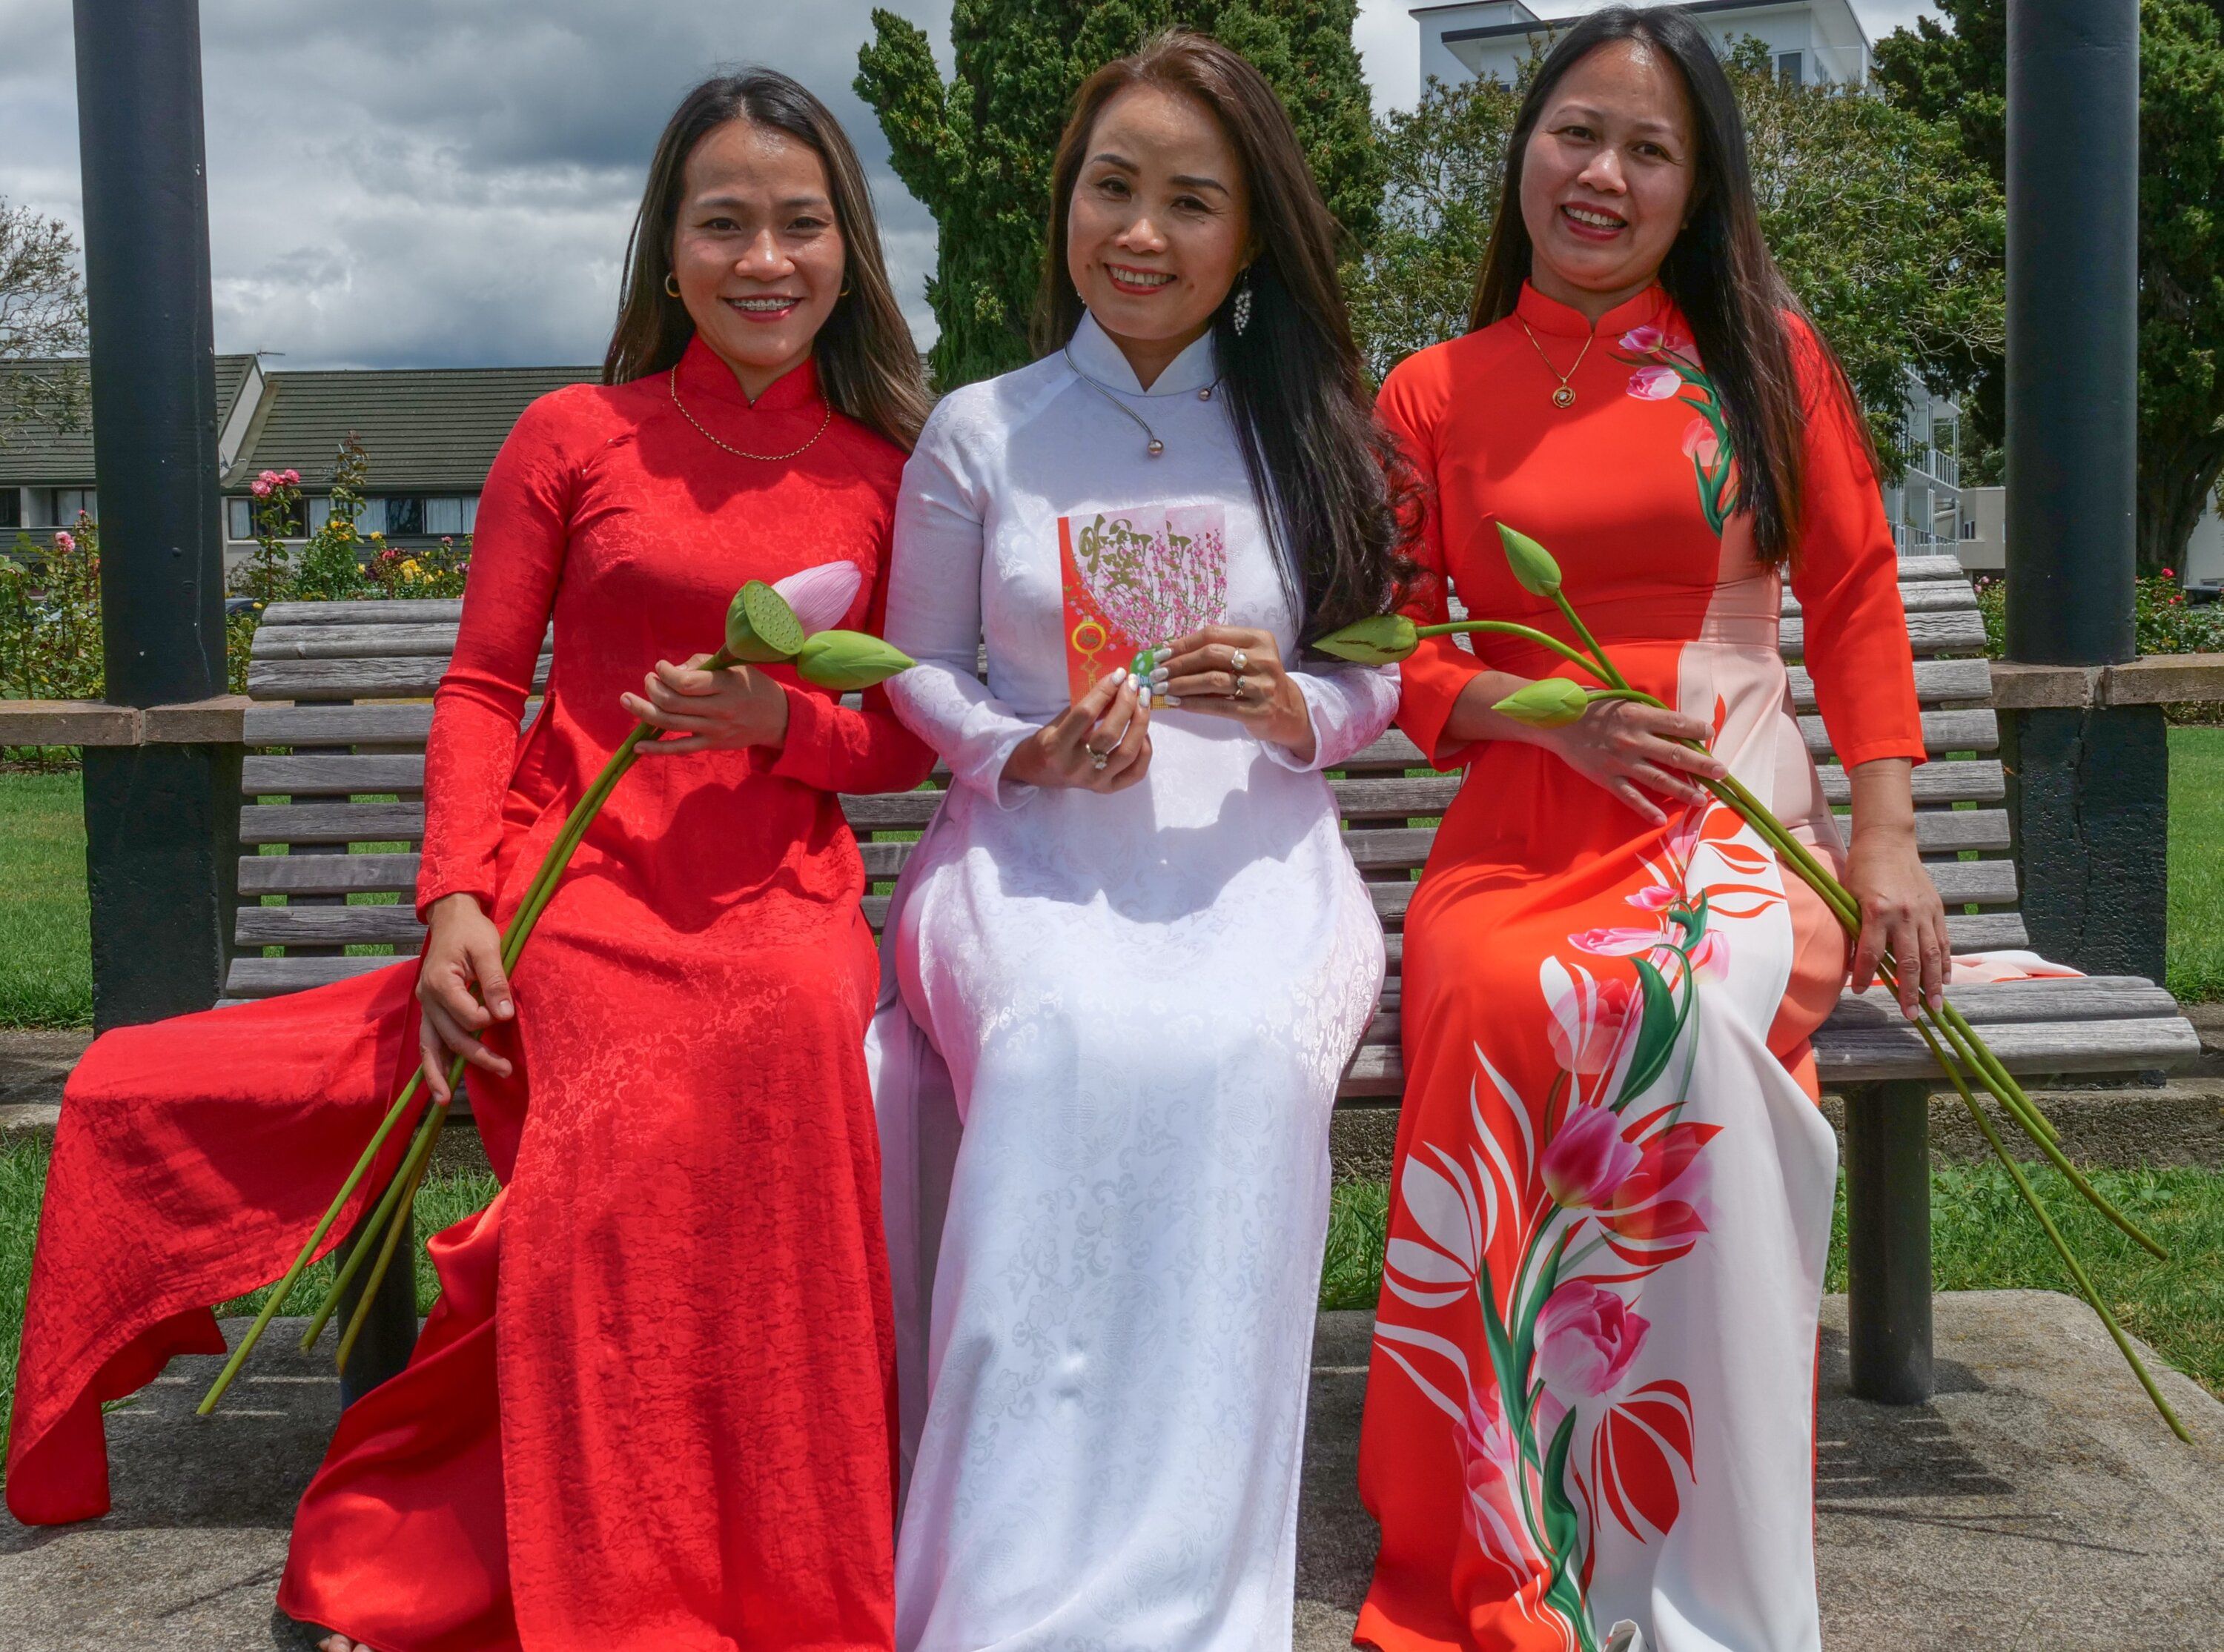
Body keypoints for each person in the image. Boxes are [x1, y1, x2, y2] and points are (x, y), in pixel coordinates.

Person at [7, 70, 936, 1652]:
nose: (763, 259)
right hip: (577, 884)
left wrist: (777, 720)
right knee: (618, 1112)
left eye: (801, 224)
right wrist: (453, 903)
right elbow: (481, 686)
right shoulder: (573, 434)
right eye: (725, 224)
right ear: (668, 251)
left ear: (850, 250)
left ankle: (780, 1556)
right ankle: (597, 1563)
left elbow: (909, 739)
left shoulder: (892, 467)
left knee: (791, 1033)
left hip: (780, 892)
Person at [1351, 10, 1942, 1651]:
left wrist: (1885, 839)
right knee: (1487, 997)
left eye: (1650, 149)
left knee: (1680, 999)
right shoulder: (1431, 391)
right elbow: (1386, 643)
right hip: (1524, 812)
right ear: (1520, 149)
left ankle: (1683, 1528)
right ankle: (1503, 1517)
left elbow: (1856, 589)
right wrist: (1531, 712)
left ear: (1699, 188)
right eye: (1574, 135)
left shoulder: (1763, 351)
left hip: (1727, 802)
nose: (1602, 174)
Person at [867, 33, 1411, 1652]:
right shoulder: (983, 429)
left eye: (1192, 200)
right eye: (1115, 188)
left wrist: (1301, 703)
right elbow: (913, 668)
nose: (1144, 234)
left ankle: (1189, 1572)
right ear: (1066, 206)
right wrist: (1013, 743)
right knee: (1050, 1048)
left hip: (1256, 860)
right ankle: (1008, 1567)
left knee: (1245, 1058)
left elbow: (1386, 656)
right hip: (1027, 858)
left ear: (1252, 239)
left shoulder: (1314, 427)